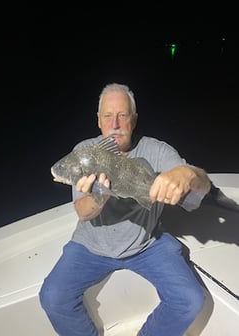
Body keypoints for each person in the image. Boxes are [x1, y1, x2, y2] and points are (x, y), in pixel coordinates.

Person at [39, 83, 211, 336]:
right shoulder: (85, 153)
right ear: (98, 121)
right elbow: (83, 212)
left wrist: (187, 174)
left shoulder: (157, 151)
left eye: (123, 115)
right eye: (108, 116)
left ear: (134, 119)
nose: (115, 124)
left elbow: (201, 187)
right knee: (52, 297)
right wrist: (100, 195)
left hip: (147, 242)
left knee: (191, 300)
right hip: (91, 246)